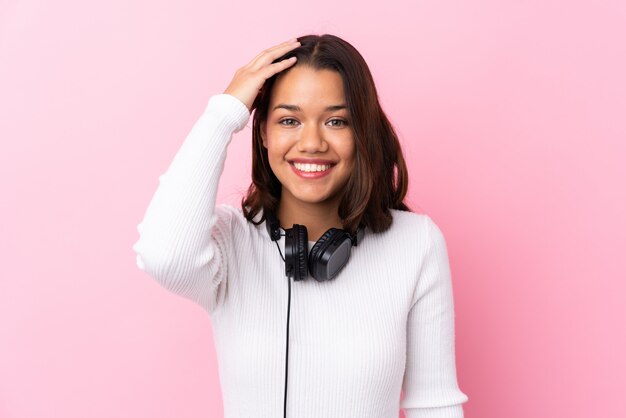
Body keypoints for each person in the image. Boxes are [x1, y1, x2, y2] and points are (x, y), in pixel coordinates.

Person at [133, 34, 469, 418]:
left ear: (362, 133)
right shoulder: (230, 242)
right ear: (262, 132)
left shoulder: (415, 243)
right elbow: (164, 256)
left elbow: (435, 405)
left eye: (336, 121)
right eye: (289, 120)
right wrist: (224, 114)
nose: (311, 143)